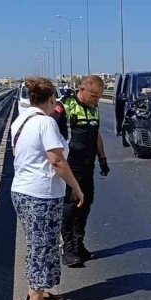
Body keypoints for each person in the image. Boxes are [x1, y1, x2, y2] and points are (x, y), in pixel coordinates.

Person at [10, 77, 85, 300]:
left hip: (22, 190)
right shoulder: (46, 123)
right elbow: (56, 160)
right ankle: (35, 298)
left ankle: (38, 290)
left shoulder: (20, 120)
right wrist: (75, 186)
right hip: (41, 193)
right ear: (51, 99)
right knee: (43, 244)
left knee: (36, 243)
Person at [56, 75, 109, 267]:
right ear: (82, 89)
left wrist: (102, 159)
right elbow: (53, 138)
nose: (95, 99)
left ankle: (79, 243)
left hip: (88, 165)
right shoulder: (65, 107)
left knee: (86, 204)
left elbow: (96, 135)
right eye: (93, 95)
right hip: (71, 165)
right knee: (71, 205)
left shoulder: (94, 109)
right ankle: (67, 247)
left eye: (98, 97)